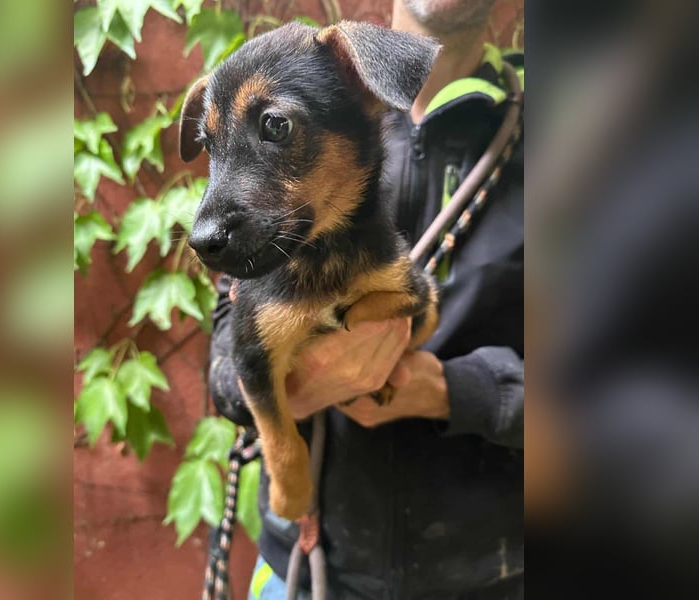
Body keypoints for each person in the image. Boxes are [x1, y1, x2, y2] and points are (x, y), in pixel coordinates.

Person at [208, 1, 524, 598]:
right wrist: (297, 392)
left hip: (489, 569)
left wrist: (453, 391)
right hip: (303, 562)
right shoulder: (301, 81)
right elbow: (228, 356)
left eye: (278, 128)